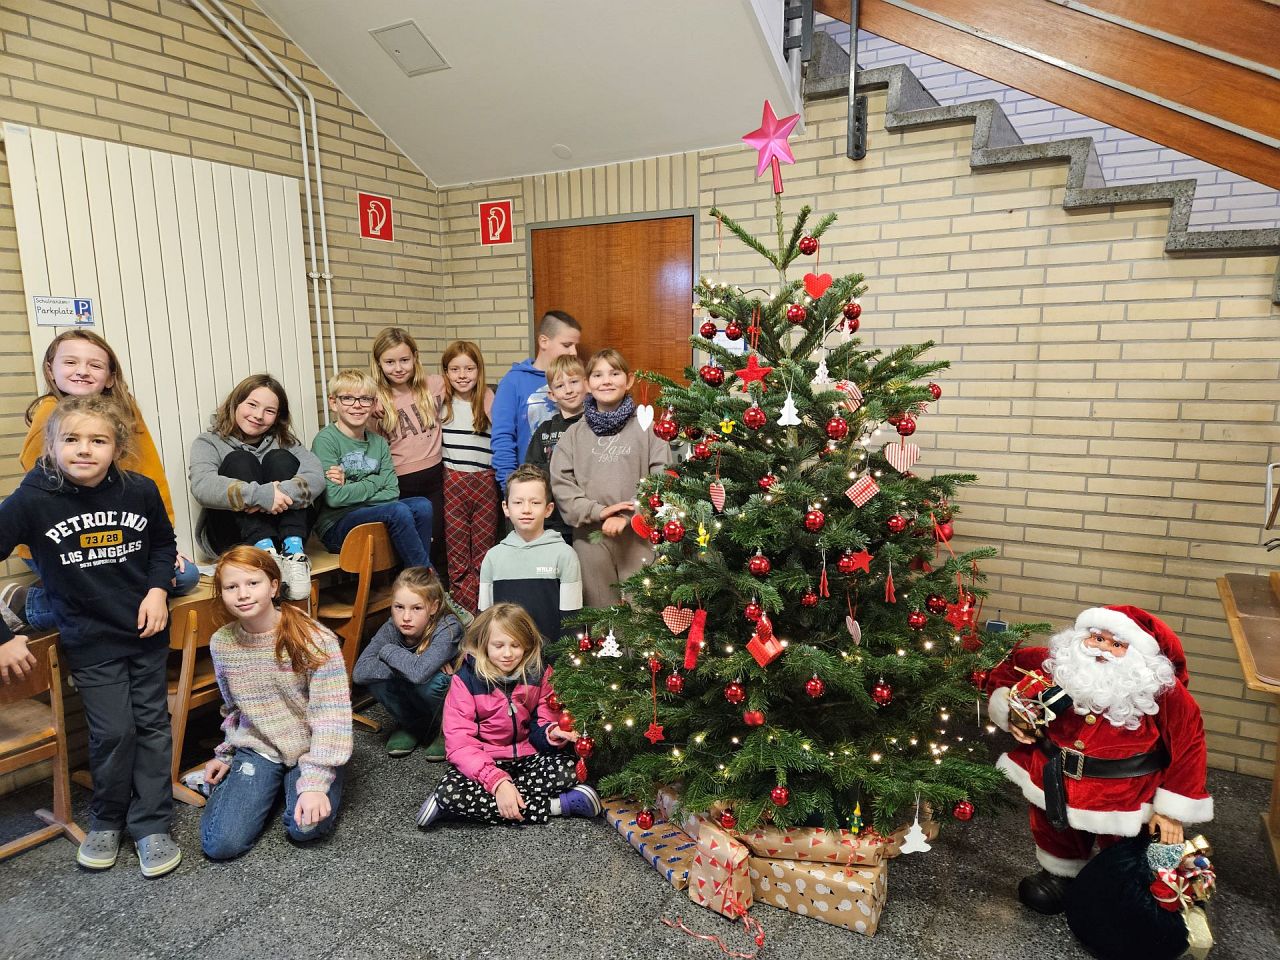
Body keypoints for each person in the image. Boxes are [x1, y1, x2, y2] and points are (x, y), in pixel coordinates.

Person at [0, 395, 181, 877]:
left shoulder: (139, 490)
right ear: (52, 446)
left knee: (152, 727)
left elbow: (164, 544)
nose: (84, 448)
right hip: (90, 639)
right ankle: (107, 819)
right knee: (114, 732)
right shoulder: (32, 500)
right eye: (72, 439)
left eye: (98, 440)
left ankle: (151, 824)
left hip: (145, 632)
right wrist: (3, 638)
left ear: (117, 447)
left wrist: (158, 591)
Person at [985, 605, 1213, 914]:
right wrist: (1009, 710)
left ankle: (1120, 884)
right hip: (1056, 777)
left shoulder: (1163, 692)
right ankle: (1059, 874)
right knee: (1055, 830)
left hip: (1124, 792)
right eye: (1097, 639)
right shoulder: (1060, 664)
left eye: (1117, 644)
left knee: (1121, 853)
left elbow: (1190, 746)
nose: (1103, 649)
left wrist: (1170, 812)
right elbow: (1007, 667)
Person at [1, 331, 196, 633]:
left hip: (120, 532)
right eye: (71, 362)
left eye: (95, 365)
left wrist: (162, 544)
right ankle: (28, 603)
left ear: (110, 377)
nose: (82, 371)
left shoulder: (124, 411)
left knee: (184, 576)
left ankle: (66, 591)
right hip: (62, 538)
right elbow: (45, 500)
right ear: (50, 370)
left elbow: (150, 476)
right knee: (115, 590)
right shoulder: (49, 414)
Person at [199, 546, 352, 860]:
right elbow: (234, 708)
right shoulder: (222, 643)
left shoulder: (314, 639)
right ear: (222, 593)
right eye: (231, 587)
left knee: (304, 829)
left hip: (311, 748)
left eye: (252, 583)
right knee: (220, 845)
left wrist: (314, 783)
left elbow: (332, 717)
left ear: (272, 586)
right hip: (259, 746)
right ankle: (258, 784)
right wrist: (226, 753)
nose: (243, 594)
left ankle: (297, 783)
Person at [415, 603, 600, 829]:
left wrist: (551, 733)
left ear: (527, 644)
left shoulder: (539, 673)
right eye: (499, 645)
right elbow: (460, 744)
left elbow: (543, 720)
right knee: (450, 790)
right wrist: (497, 782)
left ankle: (459, 808)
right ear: (484, 644)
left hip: (528, 757)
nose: (507, 654)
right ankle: (558, 806)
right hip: (486, 760)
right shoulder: (465, 680)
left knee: (569, 769)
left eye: (515, 645)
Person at [549, 348, 672, 608]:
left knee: (643, 612)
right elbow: (562, 486)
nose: (606, 381)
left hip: (640, 537)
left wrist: (628, 515)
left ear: (628, 380)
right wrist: (599, 511)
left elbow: (662, 478)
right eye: (597, 375)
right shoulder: (573, 435)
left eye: (614, 374)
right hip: (591, 539)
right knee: (600, 615)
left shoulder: (649, 429)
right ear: (587, 384)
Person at [188, 373, 323, 599]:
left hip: (284, 533)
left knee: (280, 459)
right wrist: (262, 495)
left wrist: (280, 494)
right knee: (239, 460)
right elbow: (203, 486)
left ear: (277, 417)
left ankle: (294, 555)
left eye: (269, 411)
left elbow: (316, 476)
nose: (259, 415)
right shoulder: (209, 442)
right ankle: (264, 553)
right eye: (252, 405)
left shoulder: (286, 442)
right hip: (233, 535)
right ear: (236, 403)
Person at [311, 369, 434, 568]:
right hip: (337, 526)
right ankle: (426, 579)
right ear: (333, 403)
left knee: (422, 506)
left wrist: (349, 485)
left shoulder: (379, 443)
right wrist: (375, 481)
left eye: (365, 399)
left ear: (374, 403)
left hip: (376, 515)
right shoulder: (326, 440)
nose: (357, 405)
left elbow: (392, 492)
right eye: (347, 398)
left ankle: (412, 577)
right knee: (397, 510)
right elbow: (334, 498)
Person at [353, 566, 462, 760]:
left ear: (434, 607)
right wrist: (411, 665)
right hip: (414, 691)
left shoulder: (448, 627)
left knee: (433, 680)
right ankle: (413, 725)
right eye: (399, 607)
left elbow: (419, 674)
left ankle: (445, 730)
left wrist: (387, 651)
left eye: (417, 608)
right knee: (375, 679)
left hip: (453, 706)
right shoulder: (391, 627)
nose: (406, 617)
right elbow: (360, 672)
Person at [371, 327, 448, 577]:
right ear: (379, 363)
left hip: (435, 480)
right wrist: (370, 406)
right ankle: (409, 593)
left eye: (404, 360)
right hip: (399, 484)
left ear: (415, 357)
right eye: (390, 362)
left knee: (436, 542)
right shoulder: (375, 400)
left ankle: (438, 593)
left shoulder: (434, 385)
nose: (398, 368)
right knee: (407, 548)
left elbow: (471, 386)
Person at [479, 464, 581, 649]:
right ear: (506, 508)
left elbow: (572, 621)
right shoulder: (493, 557)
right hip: (506, 660)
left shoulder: (564, 555)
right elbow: (484, 620)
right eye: (518, 502)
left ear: (548, 509)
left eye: (535, 502)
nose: (526, 509)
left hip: (551, 661)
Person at [490, 309, 581, 493]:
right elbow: (503, 439)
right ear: (544, 341)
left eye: (575, 345)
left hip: (575, 488)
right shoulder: (513, 381)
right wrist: (510, 487)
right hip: (531, 489)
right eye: (567, 345)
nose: (574, 352)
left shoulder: (577, 381)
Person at [439, 340, 497, 611]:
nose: (462, 375)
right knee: (458, 553)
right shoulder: (440, 404)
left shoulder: (489, 401)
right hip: (453, 484)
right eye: (455, 369)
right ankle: (464, 611)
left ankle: (484, 611)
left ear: (479, 370)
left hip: (485, 483)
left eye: (469, 368)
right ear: (445, 372)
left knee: (484, 553)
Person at [523, 353, 586, 542]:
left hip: (585, 519)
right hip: (551, 521)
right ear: (552, 394)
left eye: (574, 382)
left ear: (586, 384)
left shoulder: (593, 426)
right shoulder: (545, 430)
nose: (568, 390)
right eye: (560, 386)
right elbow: (531, 473)